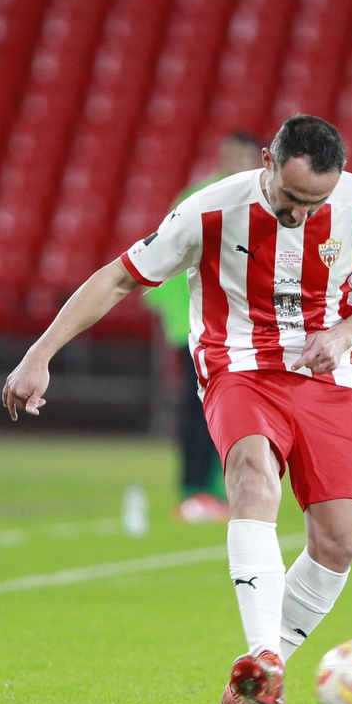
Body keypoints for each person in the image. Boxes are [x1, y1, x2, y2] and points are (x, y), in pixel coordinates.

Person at [2, 115, 352, 704]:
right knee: (253, 478)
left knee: (340, 541)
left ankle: (247, 694)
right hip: (238, 367)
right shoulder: (210, 210)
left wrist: (346, 330)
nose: (300, 215)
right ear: (269, 161)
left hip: (329, 377)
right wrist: (39, 354)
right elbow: (120, 277)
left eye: (315, 203)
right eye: (291, 199)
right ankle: (263, 662)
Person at [141, 131, 263, 522]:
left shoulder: (257, 200)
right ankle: (195, 488)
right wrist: (170, 312)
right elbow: (166, 250)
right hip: (198, 322)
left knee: (228, 408)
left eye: (240, 156)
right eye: (228, 154)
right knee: (202, 407)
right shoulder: (200, 197)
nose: (232, 163)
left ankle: (212, 488)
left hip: (235, 325)